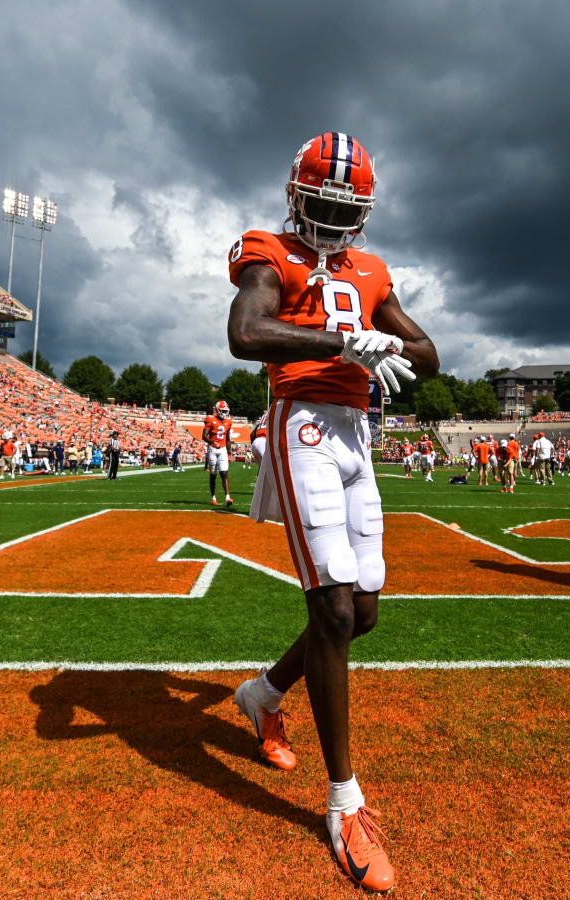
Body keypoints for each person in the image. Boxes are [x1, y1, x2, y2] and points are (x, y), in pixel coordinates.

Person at [225, 131, 438, 893]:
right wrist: (342, 339)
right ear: (294, 194)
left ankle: (261, 695)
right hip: (304, 425)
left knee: (364, 612)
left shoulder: (374, 270)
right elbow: (246, 332)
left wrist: (388, 337)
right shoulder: (267, 251)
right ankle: (345, 802)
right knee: (336, 612)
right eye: (320, 202)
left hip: (358, 436)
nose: (331, 218)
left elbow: (430, 355)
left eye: (345, 208)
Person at [203, 400, 234, 506]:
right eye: (223, 411)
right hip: (212, 449)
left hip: (223, 449)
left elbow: (228, 439)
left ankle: (228, 498)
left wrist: (230, 453)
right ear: (217, 410)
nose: (225, 413)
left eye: (226, 411)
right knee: (213, 474)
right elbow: (204, 436)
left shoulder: (228, 421)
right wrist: (213, 442)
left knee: (224, 473)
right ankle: (213, 497)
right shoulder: (210, 419)